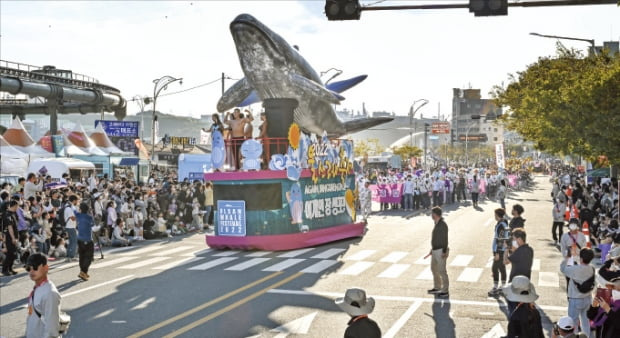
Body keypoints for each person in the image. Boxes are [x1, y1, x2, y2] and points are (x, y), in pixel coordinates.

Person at [560, 247, 595, 337]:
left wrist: (567, 258)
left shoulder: (575, 269)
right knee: (585, 321)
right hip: (587, 298)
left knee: (573, 322)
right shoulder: (591, 269)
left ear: (581, 258)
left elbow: (563, 269)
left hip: (575, 299)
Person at [25, 253, 61, 338]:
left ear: (46, 268)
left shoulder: (50, 293)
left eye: (35, 267)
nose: (31, 271)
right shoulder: (38, 288)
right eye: (28, 268)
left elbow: (52, 329)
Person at [503, 227, 534, 313]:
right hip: (525, 283)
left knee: (513, 308)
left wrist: (506, 249)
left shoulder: (519, 252)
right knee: (523, 309)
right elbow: (517, 256)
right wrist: (512, 248)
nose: (513, 241)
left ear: (519, 239)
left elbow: (505, 261)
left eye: (514, 239)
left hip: (515, 284)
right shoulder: (529, 250)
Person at [428, 206, 449, 298]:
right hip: (435, 249)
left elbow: (445, 239)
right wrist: (432, 249)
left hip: (441, 250)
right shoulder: (436, 222)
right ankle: (437, 287)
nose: (431, 215)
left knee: (442, 271)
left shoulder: (442, 225)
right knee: (434, 268)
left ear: (436, 214)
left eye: (432, 213)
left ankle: (445, 290)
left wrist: (444, 251)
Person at [489, 208, 510, 297]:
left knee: (495, 268)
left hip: (500, 250)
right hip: (502, 250)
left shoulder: (501, 225)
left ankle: (496, 287)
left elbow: (501, 240)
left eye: (495, 215)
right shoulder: (503, 223)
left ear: (497, 215)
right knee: (501, 267)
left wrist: (497, 253)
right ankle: (503, 286)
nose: (494, 216)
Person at [76, 202, 98, 281]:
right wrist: (100, 226)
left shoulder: (78, 215)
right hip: (88, 239)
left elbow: (73, 209)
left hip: (80, 238)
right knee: (89, 257)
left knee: (81, 256)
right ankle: (83, 272)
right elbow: (94, 228)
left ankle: (83, 272)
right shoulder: (89, 217)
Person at [2, 200, 20, 276]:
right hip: (9, 237)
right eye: (17, 206)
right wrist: (13, 238)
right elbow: (9, 227)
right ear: (15, 206)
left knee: (14, 253)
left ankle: (10, 268)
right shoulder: (7, 214)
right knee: (10, 253)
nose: (18, 208)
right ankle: (4, 270)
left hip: (14, 236)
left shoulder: (13, 213)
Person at [63, 195, 79, 262]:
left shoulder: (70, 207)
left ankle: (69, 256)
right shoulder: (69, 208)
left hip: (71, 226)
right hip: (70, 227)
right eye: (77, 200)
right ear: (74, 200)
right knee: (74, 241)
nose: (77, 202)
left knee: (71, 242)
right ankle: (71, 256)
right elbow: (72, 218)